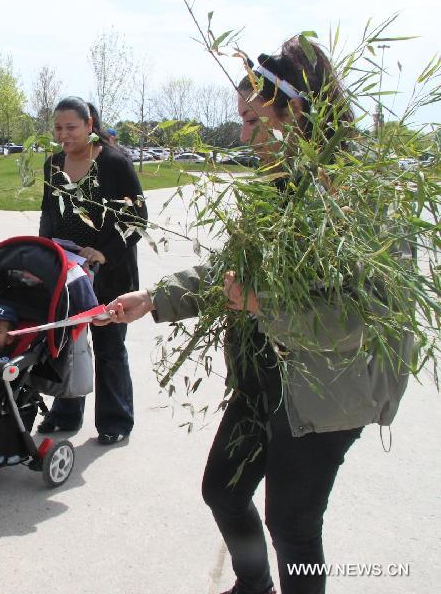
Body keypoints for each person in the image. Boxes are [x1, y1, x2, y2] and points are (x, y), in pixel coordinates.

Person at [103, 36, 414, 594]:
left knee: (293, 526)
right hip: (264, 377)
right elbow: (232, 271)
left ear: (295, 111)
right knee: (223, 490)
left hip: (326, 392)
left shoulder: (359, 197)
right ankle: (253, 585)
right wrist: (154, 299)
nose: (244, 137)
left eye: (253, 120)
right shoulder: (277, 184)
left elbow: (368, 323)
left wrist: (265, 306)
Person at [36, 96, 147, 445]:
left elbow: (137, 219)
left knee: (109, 345)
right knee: (68, 342)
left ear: (89, 125)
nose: (64, 134)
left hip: (111, 271)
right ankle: (66, 413)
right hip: (69, 270)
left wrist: (104, 252)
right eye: (58, 127)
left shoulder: (114, 163)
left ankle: (115, 420)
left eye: (71, 127)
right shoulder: (53, 164)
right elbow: (48, 213)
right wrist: (44, 253)